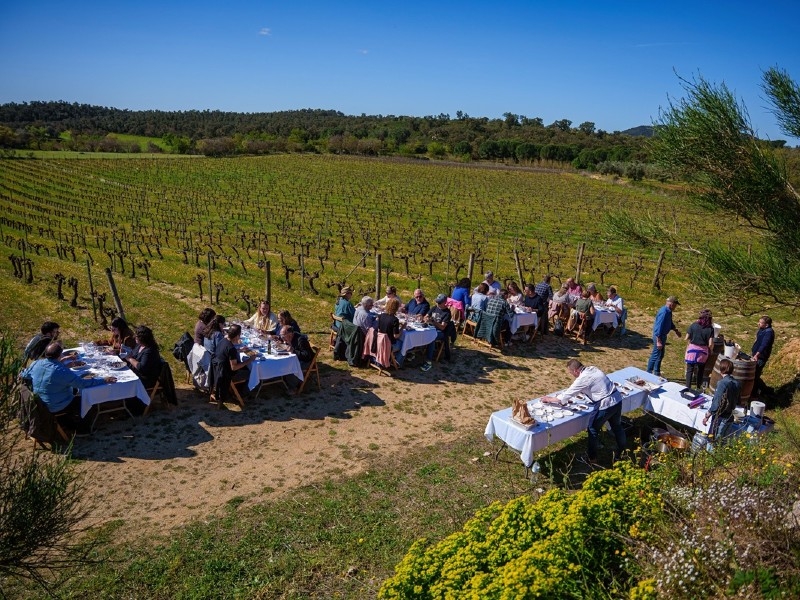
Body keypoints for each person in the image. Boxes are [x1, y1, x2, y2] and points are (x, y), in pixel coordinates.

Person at [543, 359, 626, 465]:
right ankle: (622, 452)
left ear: (575, 371)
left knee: (592, 429)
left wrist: (549, 399)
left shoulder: (583, 378)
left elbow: (565, 396)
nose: (571, 375)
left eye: (571, 372)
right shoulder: (593, 368)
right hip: (617, 399)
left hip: (605, 404)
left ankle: (592, 458)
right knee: (617, 427)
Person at [21, 342, 115, 432]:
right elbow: (82, 384)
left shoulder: (36, 363)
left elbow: (23, 374)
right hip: (55, 405)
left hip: (39, 403)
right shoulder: (61, 371)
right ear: (60, 355)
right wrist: (103, 380)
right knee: (87, 399)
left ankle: (65, 420)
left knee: (73, 391)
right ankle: (82, 429)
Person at [211, 324, 255, 404]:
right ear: (237, 336)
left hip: (217, 370)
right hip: (226, 375)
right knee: (251, 372)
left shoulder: (223, 341)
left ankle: (238, 390)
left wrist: (239, 350)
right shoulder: (231, 349)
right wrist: (249, 360)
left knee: (245, 367)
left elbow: (226, 352)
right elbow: (234, 367)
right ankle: (242, 394)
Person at [702, 358, 740, 441]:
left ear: (721, 370)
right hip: (729, 417)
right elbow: (737, 400)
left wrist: (708, 415)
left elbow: (716, 403)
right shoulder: (736, 383)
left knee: (712, 441)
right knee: (723, 442)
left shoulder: (722, 383)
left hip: (720, 418)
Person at [646, 296, 682, 378]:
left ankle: (657, 372)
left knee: (660, 355)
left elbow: (669, 322)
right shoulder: (664, 312)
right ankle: (648, 372)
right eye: (675, 305)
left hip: (662, 336)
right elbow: (658, 326)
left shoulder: (668, 311)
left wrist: (676, 330)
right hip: (659, 336)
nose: (676, 307)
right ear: (671, 304)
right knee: (655, 354)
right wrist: (658, 340)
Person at [125, 325, 162, 389]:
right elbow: (133, 354)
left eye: (136, 336)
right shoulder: (139, 345)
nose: (134, 337)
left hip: (146, 379)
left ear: (142, 338)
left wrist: (130, 359)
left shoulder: (150, 351)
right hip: (136, 374)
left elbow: (141, 367)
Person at [684, 309, 714, 389]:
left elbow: (686, 337)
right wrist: (711, 350)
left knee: (690, 370)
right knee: (701, 370)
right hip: (702, 352)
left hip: (692, 351)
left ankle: (687, 387)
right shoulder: (710, 328)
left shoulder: (693, 325)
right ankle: (698, 387)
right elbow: (710, 344)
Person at [279, 325, 315, 392]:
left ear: (290, 334)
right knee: (283, 362)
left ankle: (293, 387)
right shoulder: (289, 338)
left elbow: (306, 356)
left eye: (283, 336)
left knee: (289, 367)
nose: (282, 338)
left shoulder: (300, 340)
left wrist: (294, 351)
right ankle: (284, 380)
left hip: (306, 361)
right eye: (281, 336)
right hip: (296, 358)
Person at [422, 294, 454, 368]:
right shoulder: (434, 308)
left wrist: (433, 321)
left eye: (439, 302)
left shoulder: (447, 313)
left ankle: (429, 361)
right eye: (437, 302)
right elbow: (426, 316)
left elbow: (442, 327)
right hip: (431, 328)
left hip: (441, 332)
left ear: (444, 302)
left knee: (432, 337)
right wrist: (426, 318)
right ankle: (414, 352)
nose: (437, 304)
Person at [751, 315, 775, 398]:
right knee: (753, 374)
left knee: (755, 375)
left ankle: (757, 393)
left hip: (760, 357)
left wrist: (757, 355)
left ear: (766, 325)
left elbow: (764, 345)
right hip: (755, 355)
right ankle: (762, 390)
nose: (758, 324)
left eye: (760, 323)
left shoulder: (769, 333)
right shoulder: (762, 329)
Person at [377, 297, 405, 366]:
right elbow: (396, 336)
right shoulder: (394, 320)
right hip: (389, 345)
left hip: (379, 342)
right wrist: (402, 328)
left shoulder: (381, 316)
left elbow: (379, 329)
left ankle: (391, 358)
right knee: (404, 344)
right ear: (396, 308)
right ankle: (398, 362)